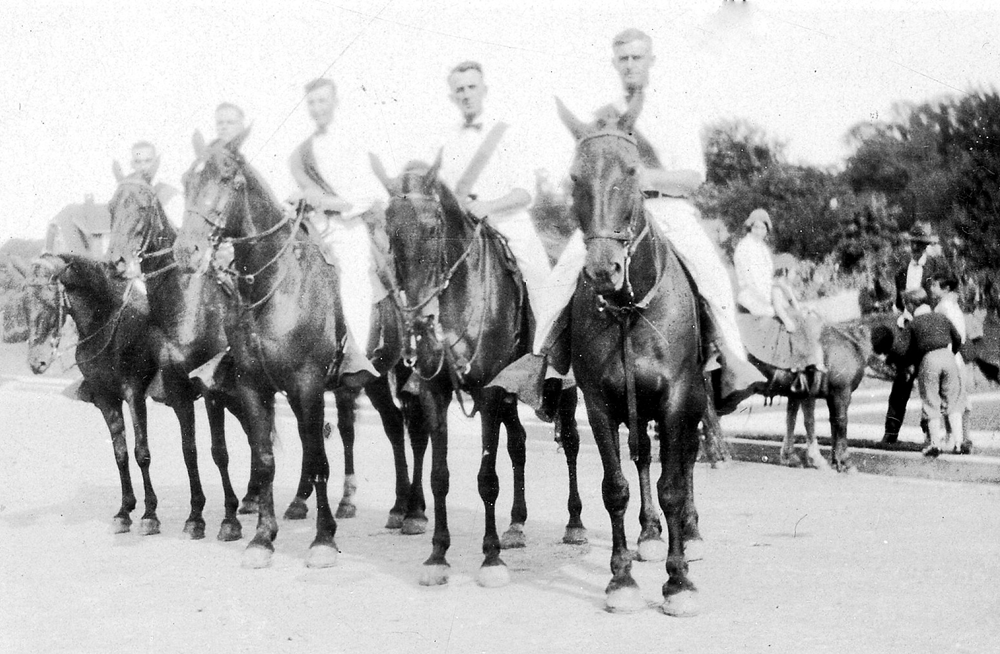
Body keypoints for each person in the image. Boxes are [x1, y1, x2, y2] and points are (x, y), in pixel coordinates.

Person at [441, 61, 587, 408]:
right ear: (453, 95)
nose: (465, 95)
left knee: (542, 285)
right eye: (459, 89)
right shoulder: (448, 141)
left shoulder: (506, 133)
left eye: (471, 88)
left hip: (508, 223)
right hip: (464, 230)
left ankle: (550, 370)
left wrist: (488, 205)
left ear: (484, 90)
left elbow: (525, 195)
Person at [288, 77, 387, 381]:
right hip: (312, 227)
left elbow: (372, 195)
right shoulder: (300, 152)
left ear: (335, 103)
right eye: (312, 103)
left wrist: (328, 201)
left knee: (353, 278)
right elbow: (304, 193)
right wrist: (300, 199)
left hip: (347, 227)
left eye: (323, 101)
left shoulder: (353, 143)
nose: (317, 108)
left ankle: (354, 353)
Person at [733, 209, 825, 394]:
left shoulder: (762, 248)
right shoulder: (744, 247)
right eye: (756, 227)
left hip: (765, 292)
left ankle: (800, 363)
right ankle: (795, 367)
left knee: (796, 314)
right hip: (752, 296)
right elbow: (752, 280)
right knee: (789, 318)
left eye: (763, 228)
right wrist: (774, 298)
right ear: (750, 227)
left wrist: (780, 294)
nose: (760, 231)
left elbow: (768, 278)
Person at [882, 221, 947, 444]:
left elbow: (941, 301)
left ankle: (930, 434)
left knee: (930, 383)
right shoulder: (901, 274)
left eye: (922, 245)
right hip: (909, 333)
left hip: (929, 332)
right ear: (911, 245)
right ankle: (890, 433)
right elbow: (898, 305)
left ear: (927, 246)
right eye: (915, 244)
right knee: (902, 380)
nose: (917, 248)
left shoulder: (937, 270)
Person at [899, 288, 964, 457]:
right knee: (953, 401)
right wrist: (951, 353)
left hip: (929, 360)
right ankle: (958, 442)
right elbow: (957, 339)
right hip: (948, 357)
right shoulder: (941, 317)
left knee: (931, 401)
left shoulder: (914, 323)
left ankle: (935, 443)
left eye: (907, 305)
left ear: (912, 304)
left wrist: (908, 365)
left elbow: (904, 350)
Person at [928, 271, 974, 454]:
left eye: (934, 285)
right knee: (957, 398)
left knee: (951, 398)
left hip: (950, 355)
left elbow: (953, 335)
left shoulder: (944, 308)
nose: (931, 289)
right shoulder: (950, 305)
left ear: (945, 288)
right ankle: (959, 436)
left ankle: (958, 438)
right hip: (954, 356)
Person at [128, 141, 184, 228]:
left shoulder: (171, 195)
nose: (143, 167)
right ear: (132, 164)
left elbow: (179, 233)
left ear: (155, 163)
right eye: (138, 162)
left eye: (148, 161)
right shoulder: (129, 196)